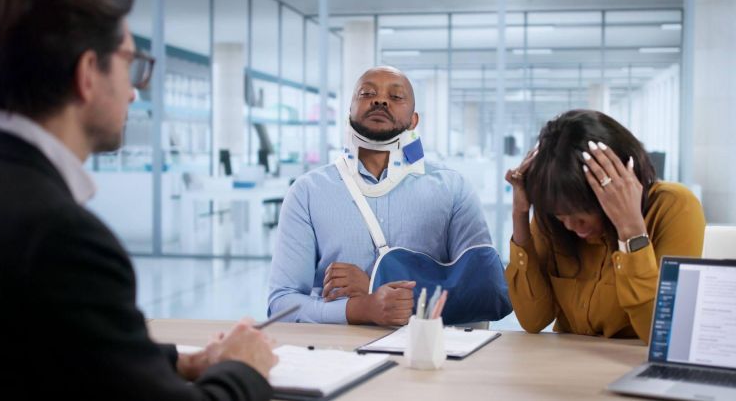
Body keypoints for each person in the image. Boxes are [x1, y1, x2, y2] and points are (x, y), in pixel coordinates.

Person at [0, 0, 276, 399]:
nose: (135, 90)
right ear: (87, 74)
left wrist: (176, 361)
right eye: (131, 64)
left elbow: (37, 344)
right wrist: (243, 369)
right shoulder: (61, 239)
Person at [268, 66, 511, 326]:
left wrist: (375, 284)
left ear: (414, 121)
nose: (380, 100)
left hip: (428, 352)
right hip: (338, 354)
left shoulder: (453, 188)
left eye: (395, 97)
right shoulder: (307, 192)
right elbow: (281, 304)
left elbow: (486, 292)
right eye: (367, 93)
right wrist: (361, 309)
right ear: (349, 111)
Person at [504, 109, 705, 343]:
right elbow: (533, 320)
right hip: (568, 364)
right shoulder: (555, 214)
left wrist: (631, 229)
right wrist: (520, 215)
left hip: (633, 365)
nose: (571, 226)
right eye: (561, 216)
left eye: (583, 215)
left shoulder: (674, 206)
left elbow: (663, 336)